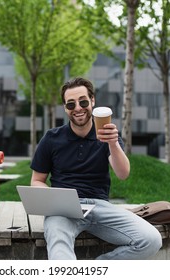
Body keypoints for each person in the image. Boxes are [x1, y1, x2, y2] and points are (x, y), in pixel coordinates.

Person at [30, 77, 162, 260]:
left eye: (83, 101)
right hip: (64, 209)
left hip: (100, 207)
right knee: (59, 249)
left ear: (92, 101)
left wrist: (113, 144)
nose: (77, 108)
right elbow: (36, 180)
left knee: (151, 239)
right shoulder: (52, 138)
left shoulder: (109, 135)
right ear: (65, 108)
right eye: (71, 104)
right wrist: (55, 199)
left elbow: (123, 174)